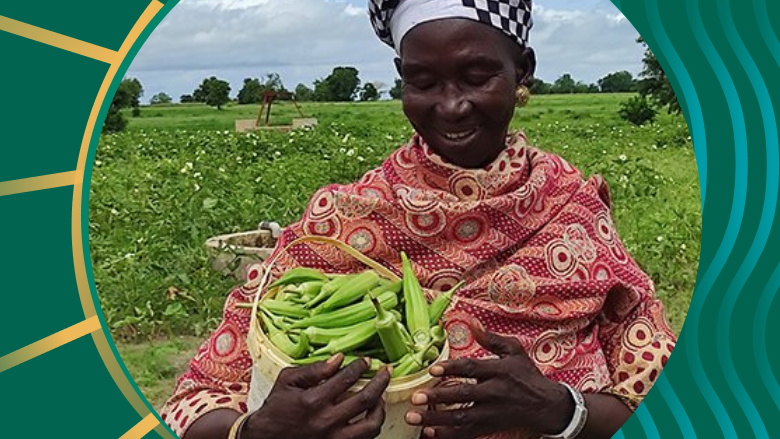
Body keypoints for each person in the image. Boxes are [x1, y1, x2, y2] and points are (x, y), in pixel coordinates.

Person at [161, 0, 677, 438]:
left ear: (523, 69)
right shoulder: (346, 219)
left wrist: (563, 410)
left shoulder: (573, 208)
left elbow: (664, 392)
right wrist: (257, 430)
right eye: (423, 81)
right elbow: (194, 398)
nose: (451, 106)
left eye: (477, 76)